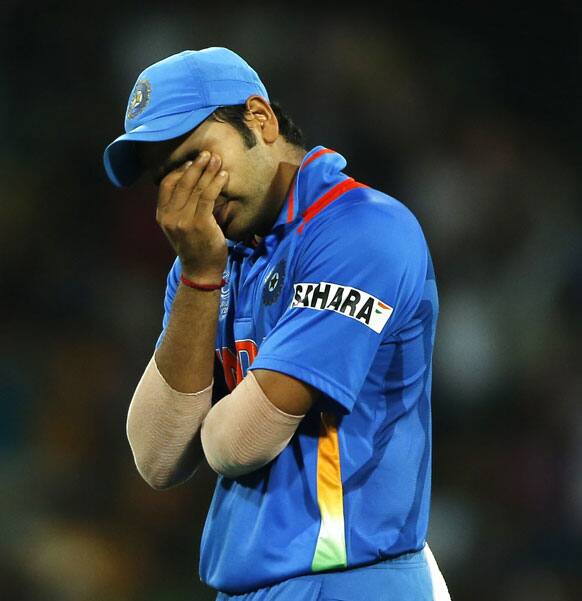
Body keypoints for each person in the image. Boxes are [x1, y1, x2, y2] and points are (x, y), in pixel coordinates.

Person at [103, 46, 451, 601]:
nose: (190, 197)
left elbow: (238, 445)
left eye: (195, 159)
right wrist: (198, 277)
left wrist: (208, 420)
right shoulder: (209, 260)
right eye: (164, 178)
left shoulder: (362, 231)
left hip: (349, 580)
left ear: (259, 119)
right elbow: (157, 454)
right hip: (248, 587)